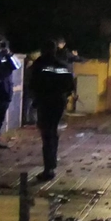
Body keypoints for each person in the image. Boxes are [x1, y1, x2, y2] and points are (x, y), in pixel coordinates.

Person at [30, 40, 75, 181]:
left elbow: (33, 83)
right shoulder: (62, 65)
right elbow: (70, 85)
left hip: (45, 101)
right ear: (55, 50)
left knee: (46, 133)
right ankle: (51, 165)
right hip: (58, 102)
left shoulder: (39, 64)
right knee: (53, 131)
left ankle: (48, 168)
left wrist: (36, 99)